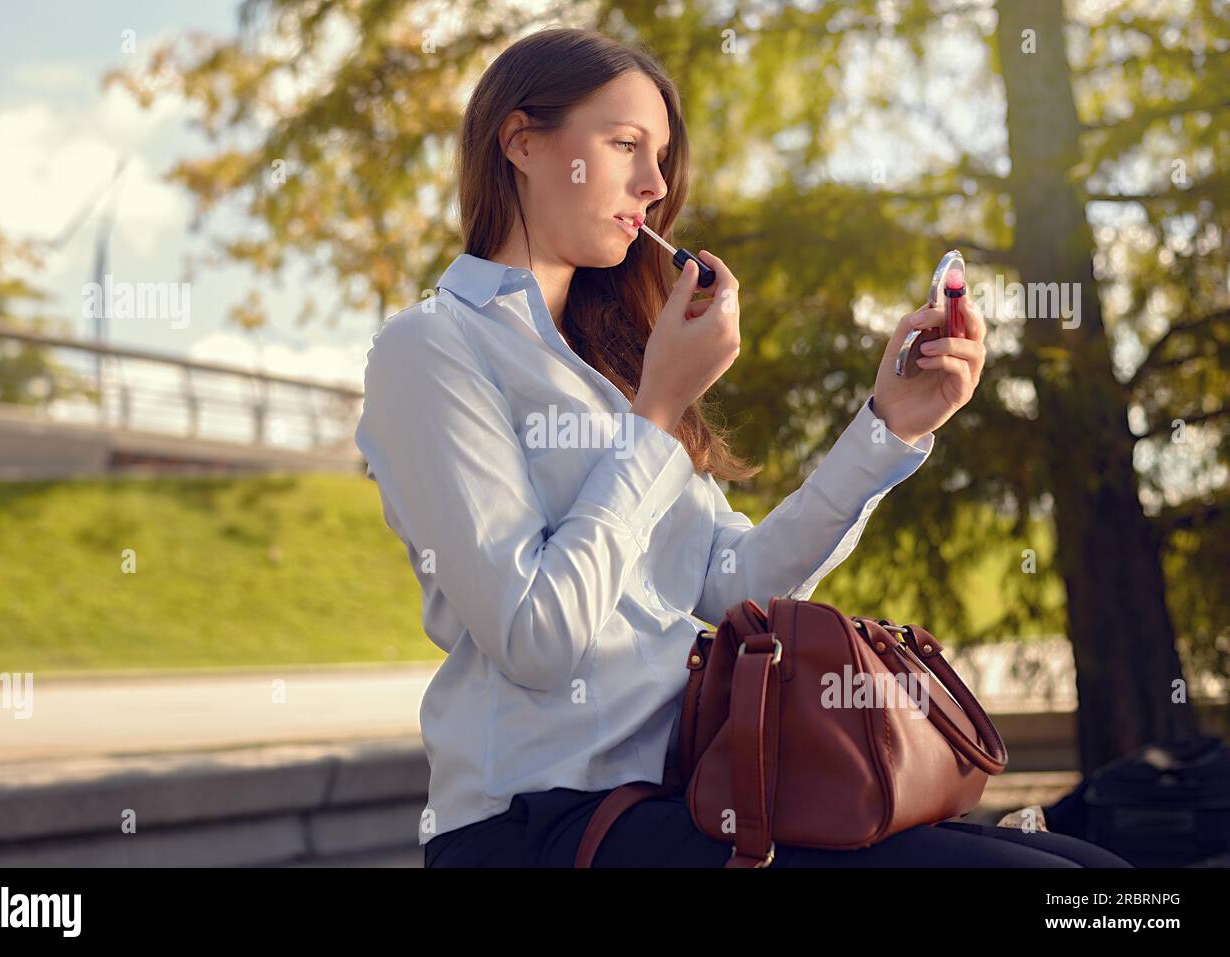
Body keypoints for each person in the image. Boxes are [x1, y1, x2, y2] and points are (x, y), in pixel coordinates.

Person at [355, 26, 1131, 869]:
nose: (653, 186)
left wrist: (891, 424)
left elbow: (740, 584)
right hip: (540, 823)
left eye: (660, 158)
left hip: (694, 796)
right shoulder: (433, 348)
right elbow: (537, 636)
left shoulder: (612, 367)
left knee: (1100, 878)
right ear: (522, 142)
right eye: (624, 146)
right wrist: (656, 410)